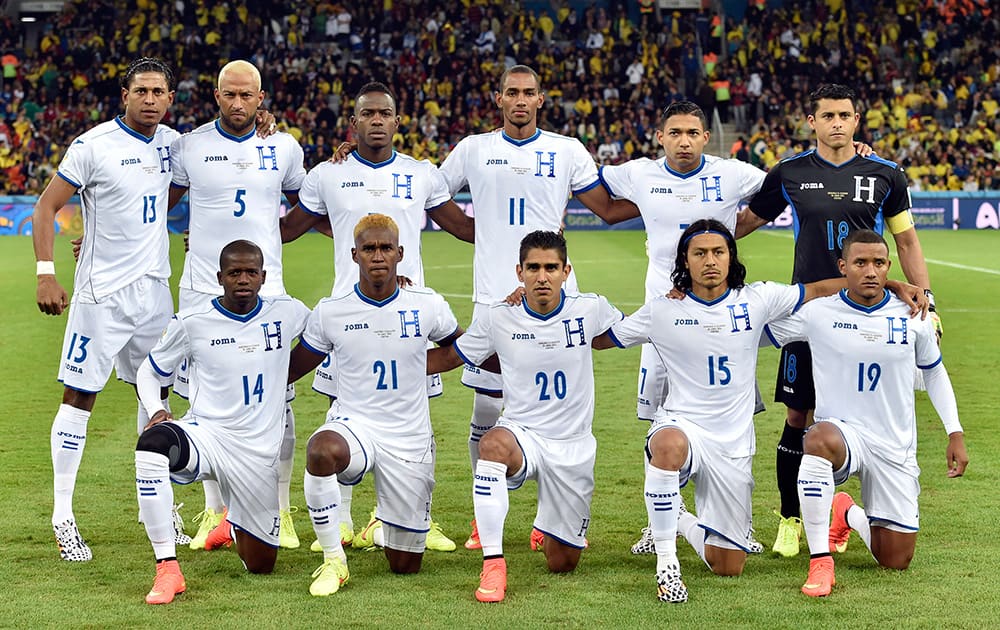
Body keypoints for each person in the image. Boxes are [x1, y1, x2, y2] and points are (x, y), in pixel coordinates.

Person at [592, 220, 923, 602]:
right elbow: (604, 340)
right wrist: (571, 310)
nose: (710, 261)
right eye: (700, 253)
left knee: (728, 565)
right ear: (685, 259)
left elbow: (817, 290)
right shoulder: (663, 310)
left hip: (732, 447)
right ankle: (667, 563)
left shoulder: (757, 299)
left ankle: (680, 519)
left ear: (731, 257)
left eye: (719, 252)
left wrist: (893, 284)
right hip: (683, 425)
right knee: (667, 445)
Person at [436, 64, 638, 550]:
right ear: (498, 99)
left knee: (559, 410)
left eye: (529, 93)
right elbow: (429, 193)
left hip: (553, 299)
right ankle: (483, 514)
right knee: (487, 405)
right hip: (494, 298)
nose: (520, 100)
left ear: (541, 99)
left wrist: (672, 203)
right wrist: (472, 232)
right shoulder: (474, 149)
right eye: (512, 93)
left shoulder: (566, 150)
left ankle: (552, 516)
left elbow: (608, 209)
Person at [737, 83, 937, 557]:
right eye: (827, 116)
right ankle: (790, 518)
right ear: (813, 121)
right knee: (797, 415)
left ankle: (848, 507)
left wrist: (926, 296)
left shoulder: (885, 173)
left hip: (869, 312)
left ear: (857, 118)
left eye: (844, 115)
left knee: (863, 408)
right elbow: (747, 222)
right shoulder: (789, 172)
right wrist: (700, 253)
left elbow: (905, 242)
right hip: (808, 314)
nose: (837, 123)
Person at [279, 81, 474, 553]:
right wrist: (214, 234)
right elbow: (287, 230)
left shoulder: (422, 174)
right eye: (368, 114)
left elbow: (466, 229)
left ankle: (395, 516)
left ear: (397, 120)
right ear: (354, 122)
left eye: (385, 113)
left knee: (412, 415)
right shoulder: (328, 174)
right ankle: (342, 521)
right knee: (342, 411)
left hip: (407, 316)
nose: (377, 121)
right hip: (347, 315)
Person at [763, 229, 967, 597]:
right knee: (817, 437)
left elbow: (934, 371)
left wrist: (954, 432)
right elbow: (756, 329)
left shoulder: (912, 314)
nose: (870, 270)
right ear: (843, 267)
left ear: (889, 267)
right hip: (843, 435)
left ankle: (846, 513)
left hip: (894, 445)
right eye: (860, 263)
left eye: (878, 263)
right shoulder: (818, 314)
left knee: (895, 559)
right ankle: (820, 562)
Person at [32, 57, 181, 561]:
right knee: (80, 397)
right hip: (101, 296)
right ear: (125, 94)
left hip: (155, 292)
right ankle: (63, 515)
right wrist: (46, 272)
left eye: (159, 92)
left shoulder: (172, 144)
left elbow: (206, 155)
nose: (150, 99)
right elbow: (46, 207)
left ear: (169, 99)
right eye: (141, 90)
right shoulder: (93, 145)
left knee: (157, 395)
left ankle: (156, 507)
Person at [427, 230, 623, 602]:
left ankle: (546, 525)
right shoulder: (500, 316)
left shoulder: (591, 309)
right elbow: (452, 356)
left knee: (562, 562)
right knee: (492, 444)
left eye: (551, 267)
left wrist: (680, 303)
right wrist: (387, 359)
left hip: (573, 446)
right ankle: (493, 563)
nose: (542, 276)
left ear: (567, 271)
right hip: (523, 435)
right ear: (519, 272)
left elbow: (629, 331)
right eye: (533, 267)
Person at [167, 60, 306, 551]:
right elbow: (155, 204)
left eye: (248, 95)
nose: (239, 103)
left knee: (280, 401)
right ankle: (213, 512)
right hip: (203, 290)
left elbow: (313, 207)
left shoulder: (285, 147)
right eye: (230, 94)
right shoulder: (190, 146)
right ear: (216, 94)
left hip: (267, 295)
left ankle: (281, 511)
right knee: (202, 402)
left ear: (261, 97)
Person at [286, 214, 462, 596]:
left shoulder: (426, 305)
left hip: (408, 437)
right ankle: (334, 559)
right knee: (321, 450)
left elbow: (460, 347)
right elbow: (294, 367)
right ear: (355, 255)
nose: (377, 256)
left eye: (385, 248)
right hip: (356, 425)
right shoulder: (332, 311)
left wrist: (418, 364)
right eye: (369, 249)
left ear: (400, 253)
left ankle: (380, 527)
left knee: (405, 566)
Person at [133, 240, 310, 604]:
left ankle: (233, 521)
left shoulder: (288, 312)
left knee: (261, 565)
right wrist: (156, 410)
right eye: (234, 273)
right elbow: (149, 372)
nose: (242, 279)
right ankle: (167, 568)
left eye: (250, 272)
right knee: (152, 446)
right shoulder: (192, 323)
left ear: (263, 277)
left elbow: (331, 327)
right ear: (220, 277)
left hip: (258, 457)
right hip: (208, 437)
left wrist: (395, 286)